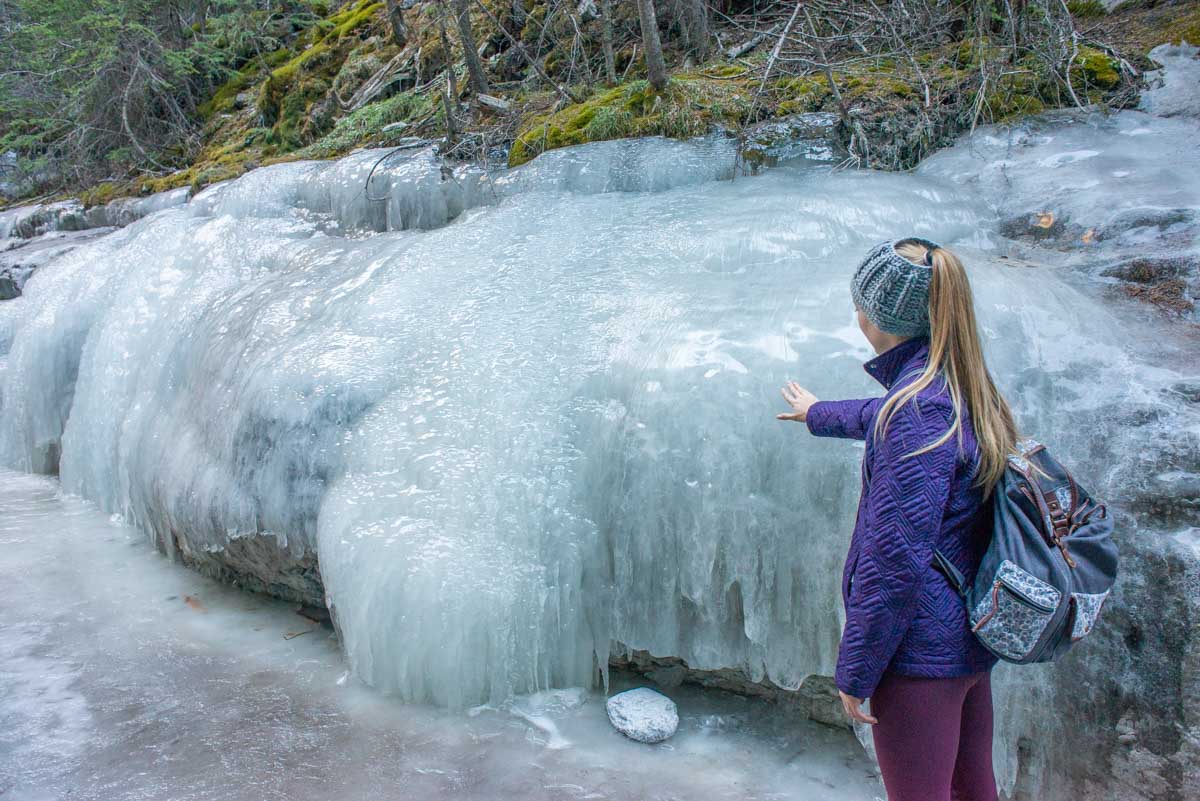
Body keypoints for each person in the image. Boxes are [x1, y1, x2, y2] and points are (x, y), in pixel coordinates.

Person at [776, 237, 1018, 801]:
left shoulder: (917, 413)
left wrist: (856, 672)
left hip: (919, 656)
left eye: (860, 301)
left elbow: (893, 562)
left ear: (876, 318)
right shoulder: (957, 384)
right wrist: (819, 414)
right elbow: (889, 416)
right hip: (964, 636)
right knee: (971, 786)